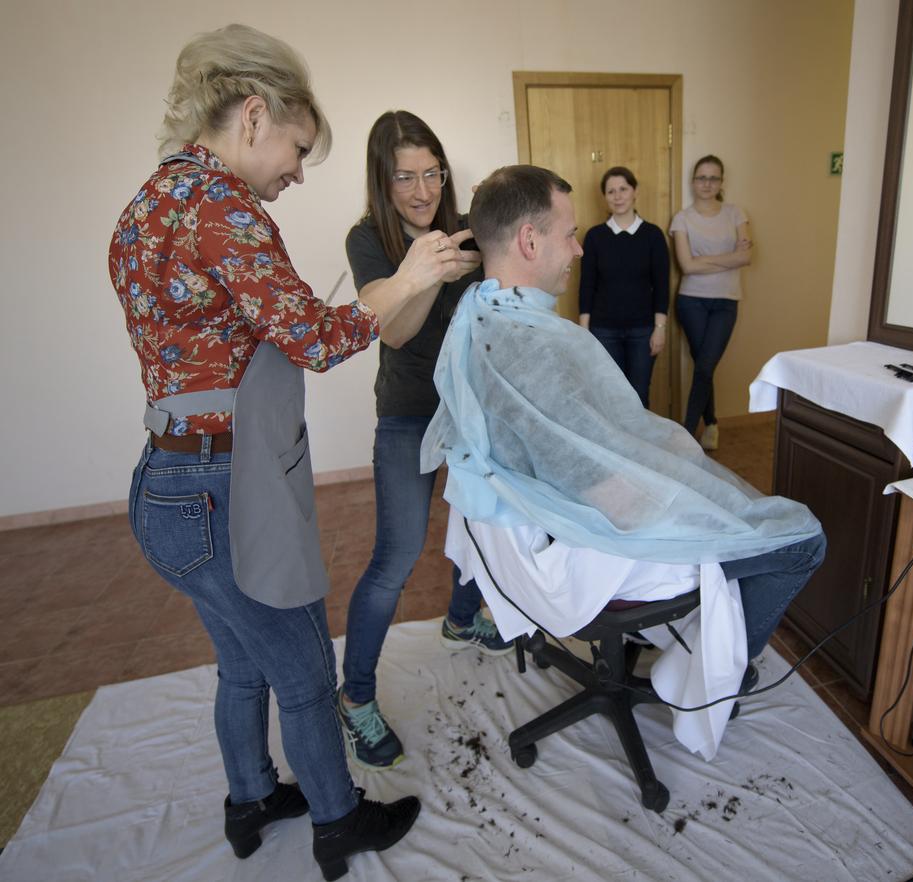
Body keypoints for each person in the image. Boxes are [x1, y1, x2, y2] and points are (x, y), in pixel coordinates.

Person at [108, 24, 432, 880]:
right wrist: (406, 282)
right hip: (221, 488)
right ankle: (336, 818)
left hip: (170, 483)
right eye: (295, 149)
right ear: (252, 115)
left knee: (241, 661)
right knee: (299, 668)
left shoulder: (150, 200)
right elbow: (315, 337)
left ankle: (251, 797)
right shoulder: (220, 206)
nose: (295, 173)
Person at [420, 166, 826, 755]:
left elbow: (575, 447)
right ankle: (715, 676)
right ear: (530, 241)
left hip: (529, 523)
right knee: (797, 537)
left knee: (704, 482)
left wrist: (660, 461)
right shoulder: (532, 342)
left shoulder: (478, 311)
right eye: (570, 233)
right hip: (579, 547)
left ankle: (698, 646)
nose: (578, 248)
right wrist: (682, 494)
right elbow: (602, 487)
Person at [338, 110, 513, 772]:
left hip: (470, 411)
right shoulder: (368, 240)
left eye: (430, 174)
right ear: (382, 183)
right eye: (404, 177)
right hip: (409, 413)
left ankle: (462, 617)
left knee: (482, 520)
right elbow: (394, 332)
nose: (420, 191)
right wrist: (426, 273)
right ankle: (354, 696)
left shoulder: (463, 228)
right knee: (396, 556)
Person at [669, 155, 752, 450]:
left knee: (705, 366)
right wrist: (728, 259)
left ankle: (688, 433)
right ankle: (707, 427)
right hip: (691, 302)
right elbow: (687, 267)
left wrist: (705, 259)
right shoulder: (683, 218)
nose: (707, 184)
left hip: (726, 302)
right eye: (701, 178)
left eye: (713, 178)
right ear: (693, 182)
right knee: (705, 366)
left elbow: (746, 257)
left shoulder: (735, 213)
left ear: (721, 182)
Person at [577, 166, 670, 408]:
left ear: (634, 192)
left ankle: (640, 446)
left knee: (639, 395)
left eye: (623, 189)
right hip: (603, 330)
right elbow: (587, 285)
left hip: (643, 330)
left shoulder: (653, 235)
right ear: (605, 197)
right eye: (611, 191)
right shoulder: (595, 236)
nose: (617, 196)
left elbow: (662, 285)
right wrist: (585, 330)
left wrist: (660, 328)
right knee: (610, 396)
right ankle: (615, 447)